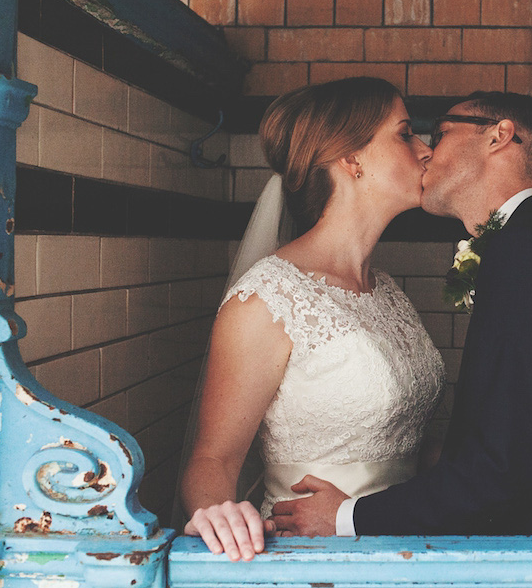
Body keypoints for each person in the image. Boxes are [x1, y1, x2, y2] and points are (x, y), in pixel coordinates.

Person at [269, 91, 532, 536]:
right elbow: (527, 430)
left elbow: (502, 466)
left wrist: (347, 517)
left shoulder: (529, 253)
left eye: (439, 133)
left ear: (499, 136)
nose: (427, 151)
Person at [179, 77, 445, 560]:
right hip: (310, 557)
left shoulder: (387, 291)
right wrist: (219, 514)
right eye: (405, 134)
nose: (426, 151)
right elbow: (212, 458)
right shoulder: (267, 300)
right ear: (351, 158)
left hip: (405, 549)